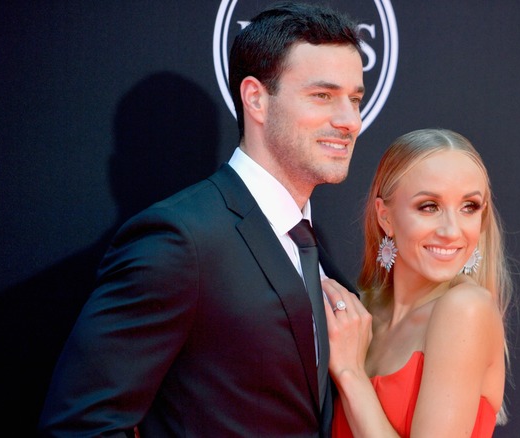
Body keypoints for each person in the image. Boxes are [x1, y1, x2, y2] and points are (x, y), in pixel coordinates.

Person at [38, 2, 365, 436]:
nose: (349, 121)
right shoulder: (181, 239)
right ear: (256, 100)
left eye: (355, 98)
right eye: (322, 96)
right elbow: (81, 425)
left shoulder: (310, 242)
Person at [321, 128, 512, 437]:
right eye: (429, 207)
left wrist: (350, 373)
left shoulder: (466, 308)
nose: (451, 230)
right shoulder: (358, 310)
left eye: (469, 207)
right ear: (385, 217)